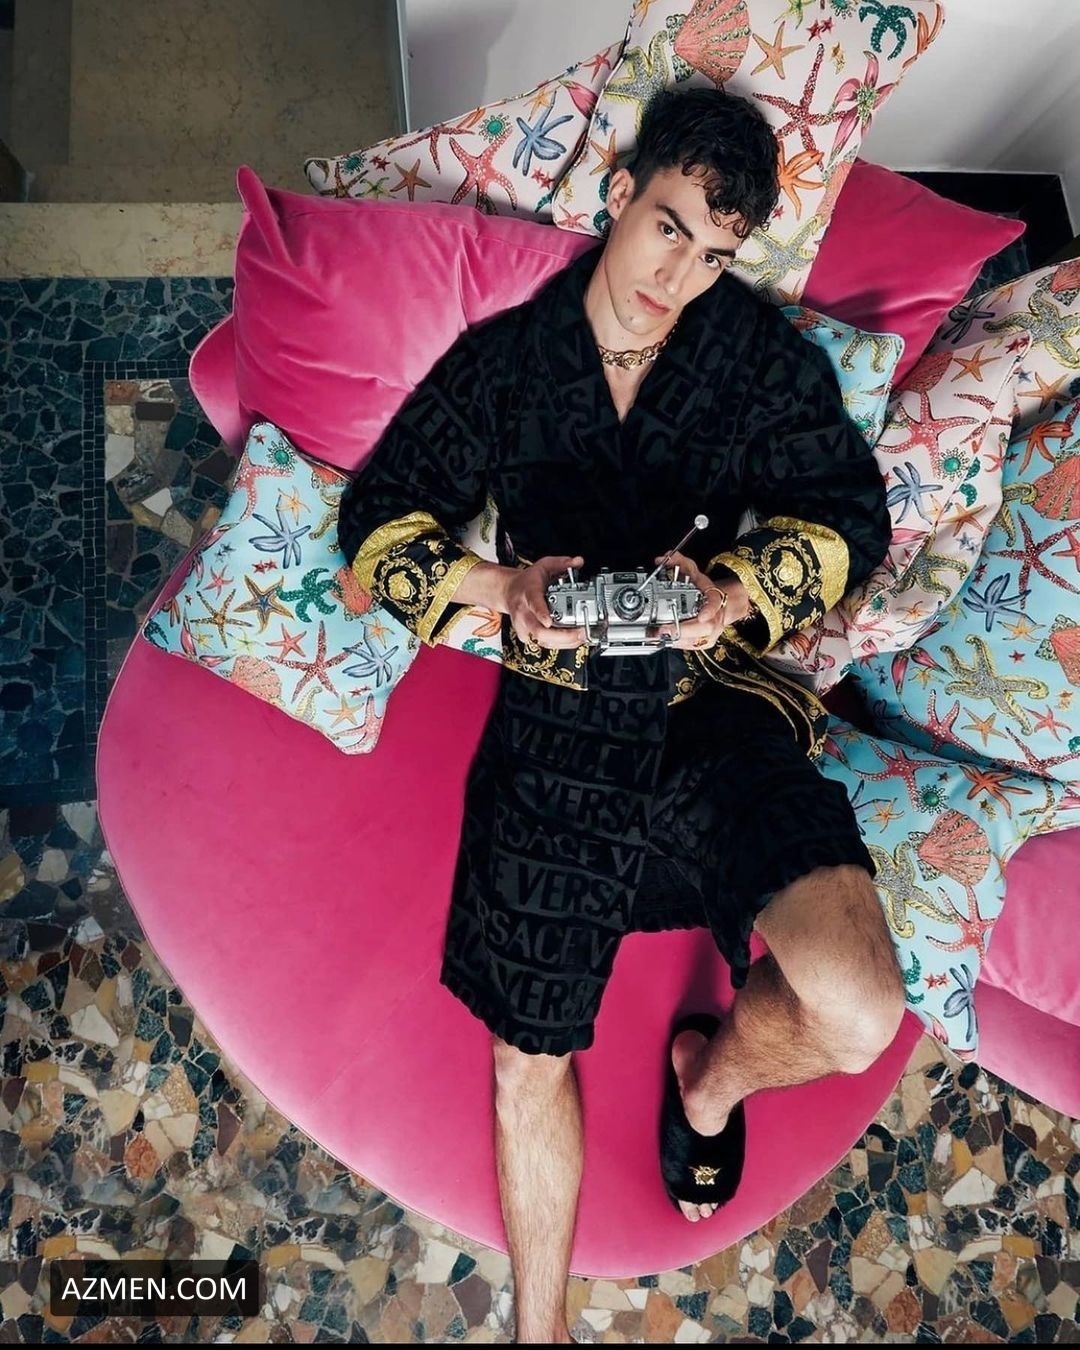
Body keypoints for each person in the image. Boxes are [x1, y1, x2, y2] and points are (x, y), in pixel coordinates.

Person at [337, 87, 905, 1344]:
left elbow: (848, 520)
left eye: (715, 255)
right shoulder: (505, 365)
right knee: (524, 1056)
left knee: (862, 1009)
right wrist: (500, 590)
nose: (679, 277)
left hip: (712, 713)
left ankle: (709, 1083)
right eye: (668, 228)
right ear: (618, 194)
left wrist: (734, 592)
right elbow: (376, 531)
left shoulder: (753, 357)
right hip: (555, 737)